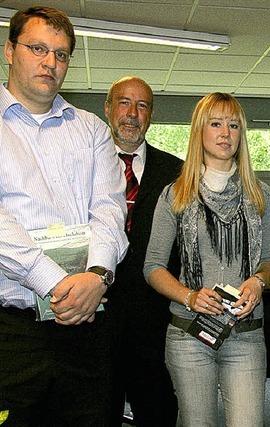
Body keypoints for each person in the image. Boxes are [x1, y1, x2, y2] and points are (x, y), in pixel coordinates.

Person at [0, 6, 128, 426]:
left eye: (61, 54)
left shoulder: (91, 129)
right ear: (9, 51)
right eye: (38, 48)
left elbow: (109, 210)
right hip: (12, 331)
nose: (50, 62)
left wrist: (97, 275)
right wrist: (57, 283)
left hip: (87, 326)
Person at [144, 92, 270, 427]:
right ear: (199, 131)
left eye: (233, 125)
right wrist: (189, 296)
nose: (225, 133)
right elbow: (153, 267)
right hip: (188, 334)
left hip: (246, 335)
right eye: (215, 123)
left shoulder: (260, 195)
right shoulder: (175, 194)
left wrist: (258, 281)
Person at [104, 76, 182, 426]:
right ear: (107, 108)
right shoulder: (82, 164)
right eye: (124, 102)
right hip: (94, 319)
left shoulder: (177, 172)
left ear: (151, 114)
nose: (132, 113)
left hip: (154, 323)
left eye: (142, 105)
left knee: (158, 413)